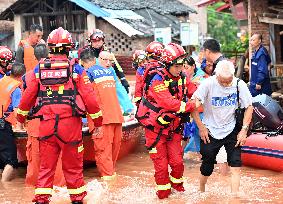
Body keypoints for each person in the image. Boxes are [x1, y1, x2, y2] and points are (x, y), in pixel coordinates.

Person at [16, 27, 102, 204]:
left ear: (49, 47)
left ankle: (41, 200)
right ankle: (77, 200)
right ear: (69, 47)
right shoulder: (76, 69)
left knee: (46, 169)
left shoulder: (39, 70)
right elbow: (90, 99)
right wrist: (98, 122)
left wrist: (20, 119)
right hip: (70, 127)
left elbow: (27, 98)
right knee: (73, 169)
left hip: (46, 126)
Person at [136, 43, 196, 199]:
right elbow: (168, 103)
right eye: (176, 66)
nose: (180, 69)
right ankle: (163, 196)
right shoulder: (156, 80)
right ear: (167, 64)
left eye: (182, 65)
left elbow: (193, 90)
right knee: (161, 166)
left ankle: (178, 193)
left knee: (177, 163)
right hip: (155, 130)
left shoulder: (182, 76)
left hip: (174, 127)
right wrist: (191, 105)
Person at [191, 60, 253, 193]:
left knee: (236, 164)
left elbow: (249, 106)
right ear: (216, 75)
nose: (225, 84)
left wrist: (244, 129)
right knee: (207, 166)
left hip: (232, 129)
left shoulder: (239, 84)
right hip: (210, 130)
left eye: (228, 80)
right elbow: (193, 106)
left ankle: (234, 197)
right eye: (222, 81)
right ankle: (201, 190)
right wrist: (201, 127)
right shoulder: (207, 84)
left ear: (233, 75)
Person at [23, 43, 65, 187]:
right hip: (57, 122)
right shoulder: (62, 71)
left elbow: (25, 102)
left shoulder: (27, 76)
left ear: (34, 57)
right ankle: (60, 192)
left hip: (36, 125)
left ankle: (33, 194)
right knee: (58, 161)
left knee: (35, 163)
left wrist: (21, 119)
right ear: (49, 54)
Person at [80, 49, 124, 181]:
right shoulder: (104, 72)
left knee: (108, 153)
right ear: (97, 60)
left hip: (109, 118)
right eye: (106, 60)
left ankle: (109, 183)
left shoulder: (95, 72)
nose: (108, 63)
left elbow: (84, 96)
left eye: (110, 60)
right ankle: (110, 183)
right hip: (109, 118)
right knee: (108, 153)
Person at [80, 29, 130, 93]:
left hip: (107, 83)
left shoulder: (108, 53)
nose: (97, 43)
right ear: (90, 42)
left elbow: (117, 67)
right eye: (94, 41)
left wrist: (123, 80)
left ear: (103, 41)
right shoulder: (85, 53)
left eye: (99, 40)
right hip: (92, 84)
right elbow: (80, 69)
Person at [0, 62, 26, 182]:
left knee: (1, 160)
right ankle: (4, 188)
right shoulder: (16, 89)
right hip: (3, 125)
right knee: (11, 161)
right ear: (22, 75)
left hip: (2, 120)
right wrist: (21, 126)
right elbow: (17, 111)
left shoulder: (3, 81)